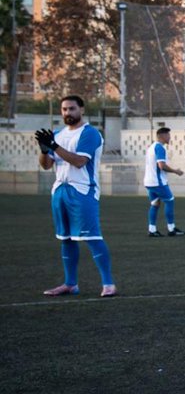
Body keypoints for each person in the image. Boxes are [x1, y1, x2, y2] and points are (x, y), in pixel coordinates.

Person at [36, 95, 117, 297]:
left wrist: (54, 146)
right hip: (60, 191)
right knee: (66, 238)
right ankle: (70, 284)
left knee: (92, 237)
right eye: (64, 109)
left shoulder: (90, 133)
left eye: (72, 108)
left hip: (83, 191)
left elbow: (80, 161)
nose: (68, 113)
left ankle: (108, 284)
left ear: (82, 109)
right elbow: (46, 165)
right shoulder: (57, 134)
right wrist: (44, 150)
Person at [143, 127, 185, 237]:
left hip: (149, 181)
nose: (170, 137)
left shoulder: (151, 147)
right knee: (170, 201)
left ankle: (152, 230)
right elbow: (161, 166)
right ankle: (171, 229)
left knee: (155, 204)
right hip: (157, 182)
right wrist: (175, 171)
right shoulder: (160, 148)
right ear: (162, 136)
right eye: (168, 135)